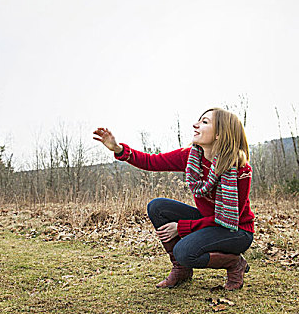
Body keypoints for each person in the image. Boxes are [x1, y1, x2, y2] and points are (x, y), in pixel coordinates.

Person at [93, 108, 254, 290]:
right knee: (157, 207)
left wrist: (181, 227)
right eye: (198, 120)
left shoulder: (239, 169)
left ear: (219, 134)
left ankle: (234, 263)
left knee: (184, 251)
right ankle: (182, 269)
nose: (196, 124)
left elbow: (227, 218)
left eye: (204, 122)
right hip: (209, 223)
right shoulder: (191, 157)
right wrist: (119, 149)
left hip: (236, 231)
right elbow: (151, 161)